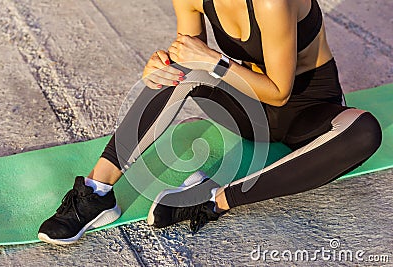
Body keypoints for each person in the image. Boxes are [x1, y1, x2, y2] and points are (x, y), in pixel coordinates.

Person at [38, 0, 382, 245]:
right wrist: (162, 66)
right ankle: (97, 193)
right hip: (248, 111)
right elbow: (190, 58)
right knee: (178, 71)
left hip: (309, 112)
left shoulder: (272, 3)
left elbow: (279, 92)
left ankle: (212, 200)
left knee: (364, 130)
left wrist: (213, 60)